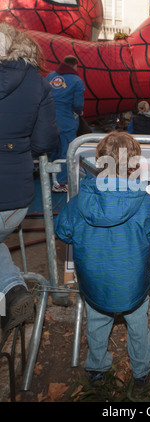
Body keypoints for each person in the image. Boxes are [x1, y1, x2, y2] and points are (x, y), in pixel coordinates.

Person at [54, 131, 150, 385]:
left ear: (99, 161)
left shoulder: (78, 203)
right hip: (133, 285)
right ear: (135, 165)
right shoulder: (146, 204)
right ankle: (142, 367)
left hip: (95, 285)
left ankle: (97, 368)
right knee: (138, 324)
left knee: (96, 323)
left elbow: (62, 231)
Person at [0, 22, 59, 334]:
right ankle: (13, 291)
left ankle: (11, 292)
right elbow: (45, 140)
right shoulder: (37, 82)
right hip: (15, 200)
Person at [46, 55, 85, 193]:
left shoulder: (49, 76)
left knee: (53, 149)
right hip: (65, 119)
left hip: (47, 118)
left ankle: (52, 178)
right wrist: (79, 112)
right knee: (67, 149)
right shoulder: (77, 81)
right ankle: (61, 183)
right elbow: (78, 103)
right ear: (75, 65)